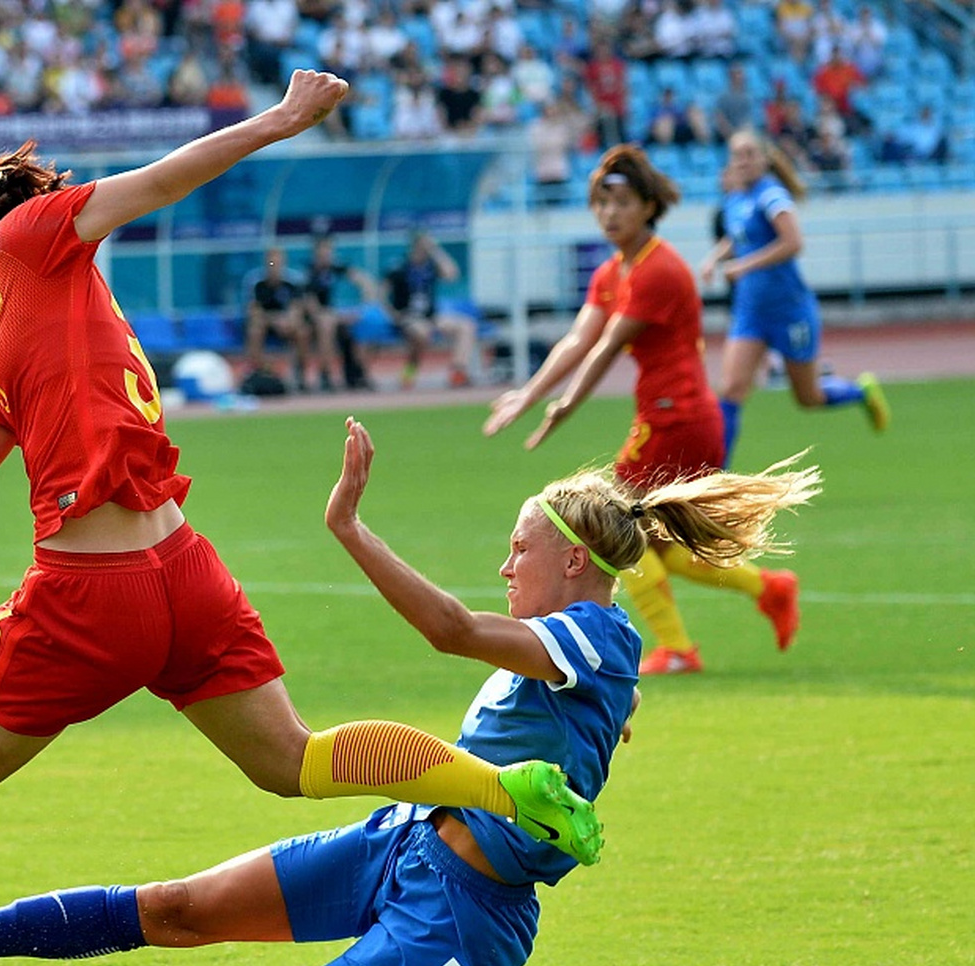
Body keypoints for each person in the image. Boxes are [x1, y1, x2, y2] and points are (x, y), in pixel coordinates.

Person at [0, 71, 602, 966]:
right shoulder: (4, 342)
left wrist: (281, 118)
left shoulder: (26, 243)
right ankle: (510, 789)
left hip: (86, 597)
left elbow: (160, 178)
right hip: (183, 572)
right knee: (288, 758)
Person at [0, 418, 820, 966]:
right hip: (399, 844)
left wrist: (350, 528)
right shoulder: (573, 653)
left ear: (573, 562)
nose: (504, 565)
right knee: (180, 908)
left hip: (459, 917)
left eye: (517, 547)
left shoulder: (595, 637)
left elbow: (448, 627)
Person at [484, 145, 803, 677]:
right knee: (655, 537)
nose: (610, 214)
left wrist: (563, 406)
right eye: (601, 203)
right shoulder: (614, 270)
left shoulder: (657, 270)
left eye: (623, 203)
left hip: (674, 419)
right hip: (671, 416)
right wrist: (529, 392)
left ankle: (679, 648)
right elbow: (578, 337)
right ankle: (766, 587)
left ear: (649, 206)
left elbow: (605, 347)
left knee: (609, 532)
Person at [700, 130, 889, 467]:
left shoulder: (771, 195)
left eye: (749, 154)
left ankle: (861, 392)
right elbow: (738, 236)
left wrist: (743, 265)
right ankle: (715, 479)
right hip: (751, 312)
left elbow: (793, 243)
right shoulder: (734, 198)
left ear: (764, 158)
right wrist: (714, 258)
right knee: (730, 390)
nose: (742, 161)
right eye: (736, 155)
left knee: (808, 397)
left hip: (789, 311)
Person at [384, 231, 479, 390]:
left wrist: (436, 251)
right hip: (408, 317)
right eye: (423, 245)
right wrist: (392, 313)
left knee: (466, 326)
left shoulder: (431, 266)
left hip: (430, 316)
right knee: (422, 333)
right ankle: (409, 371)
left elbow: (452, 274)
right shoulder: (400, 267)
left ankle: (457, 372)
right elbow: (382, 293)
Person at [302, 236, 375, 392]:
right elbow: (311, 306)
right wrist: (334, 315)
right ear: (316, 253)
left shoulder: (338, 269)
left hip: (337, 316)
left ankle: (359, 373)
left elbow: (365, 282)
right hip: (316, 319)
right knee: (326, 325)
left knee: (363, 322)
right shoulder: (310, 273)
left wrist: (363, 305)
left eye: (328, 250)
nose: (326, 255)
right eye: (322, 251)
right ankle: (326, 374)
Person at [242, 246, 312, 391]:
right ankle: (259, 373)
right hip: (266, 323)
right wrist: (274, 320)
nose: (274, 264)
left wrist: (288, 321)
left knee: (303, 331)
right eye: (271, 261)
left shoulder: (294, 280)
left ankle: (300, 375)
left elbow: (297, 308)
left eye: (277, 260)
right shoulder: (256, 281)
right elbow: (254, 310)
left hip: (287, 324)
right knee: (254, 329)